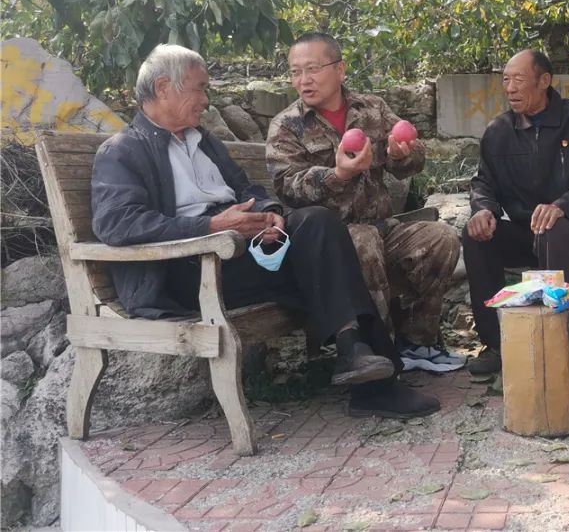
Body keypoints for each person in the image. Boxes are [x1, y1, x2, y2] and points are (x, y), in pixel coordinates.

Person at [91, 45, 438, 418]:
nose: (206, 101)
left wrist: (268, 216)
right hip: (189, 269)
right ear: (163, 88)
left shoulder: (203, 142)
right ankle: (374, 383)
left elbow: (248, 191)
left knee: (317, 222)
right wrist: (211, 226)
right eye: (200, 88)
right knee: (336, 249)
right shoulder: (123, 151)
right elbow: (117, 223)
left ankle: (354, 352)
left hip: (241, 253)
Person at [265, 33, 464, 374]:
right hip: (329, 246)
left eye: (312, 69)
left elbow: (414, 159)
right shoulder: (287, 125)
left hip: (383, 227)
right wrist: (337, 175)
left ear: (340, 69)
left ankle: (417, 343)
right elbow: (287, 187)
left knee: (441, 238)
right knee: (362, 241)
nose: (303, 79)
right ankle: (378, 350)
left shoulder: (372, 109)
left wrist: (402, 154)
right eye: (296, 71)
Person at [462, 49, 569, 375]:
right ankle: (496, 344)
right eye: (506, 80)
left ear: (544, 81)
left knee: (552, 228)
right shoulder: (498, 132)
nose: (510, 88)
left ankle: (562, 345)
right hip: (525, 233)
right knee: (475, 236)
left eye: (518, 79)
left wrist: (562, 207)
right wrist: (483, 210)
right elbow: (483, 182)